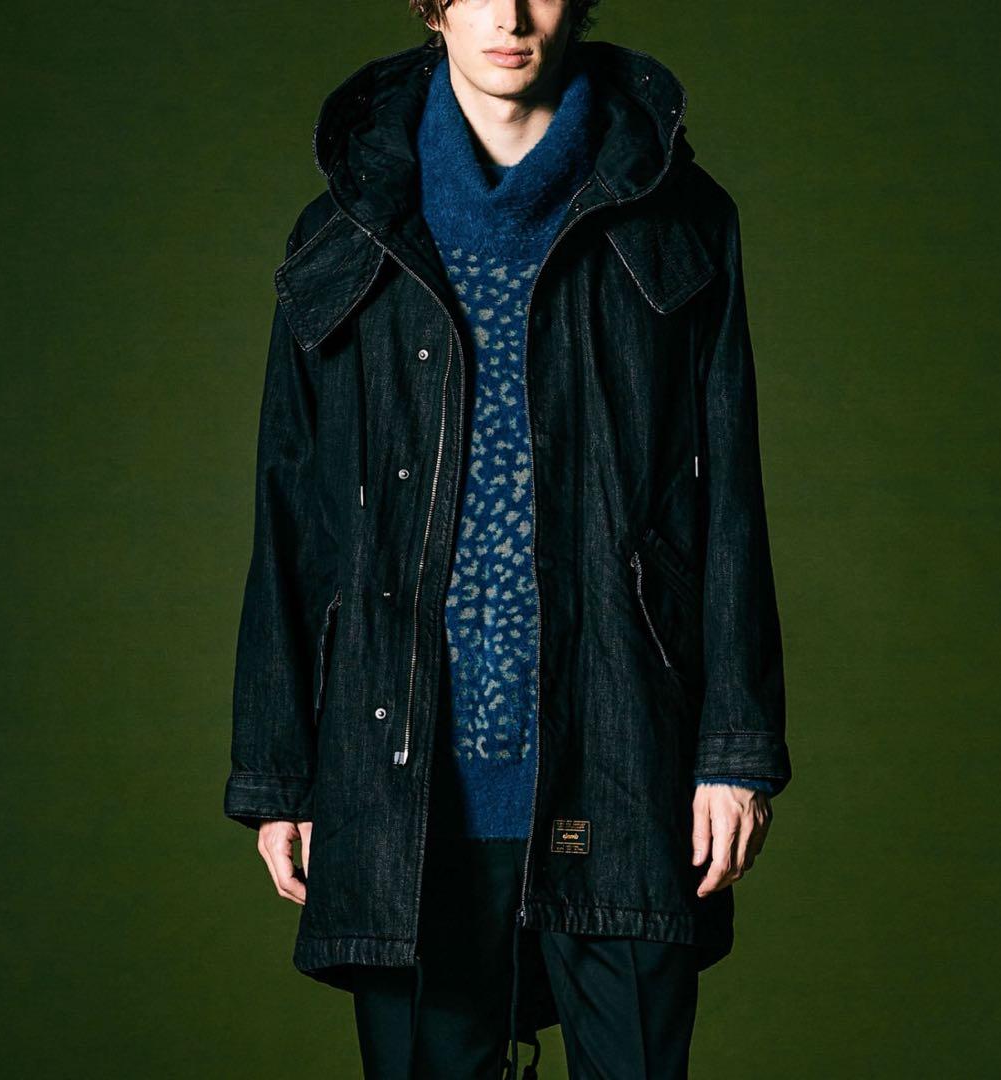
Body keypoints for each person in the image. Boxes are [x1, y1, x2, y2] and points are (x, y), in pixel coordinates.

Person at [224, 2, 792, 1077]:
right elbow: (292, 512)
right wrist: (279, 772)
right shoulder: (342, 228)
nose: (512, 15)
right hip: (403, 773)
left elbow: (730, 499)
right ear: (432, 5)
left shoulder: (679, 218)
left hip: (624, 753)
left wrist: (735, 750)